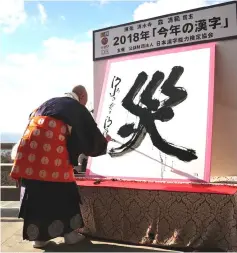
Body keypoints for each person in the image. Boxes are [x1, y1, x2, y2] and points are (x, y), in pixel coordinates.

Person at [10, 85, 111, 248]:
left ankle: (39, 239)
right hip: (52, 158)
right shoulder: (76, 108)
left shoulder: (47, 104)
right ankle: (70, 234)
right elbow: (89, 137)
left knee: (37, 193)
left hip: (28, 157)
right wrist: (103, 142)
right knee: (63, 192)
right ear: (82, 96)